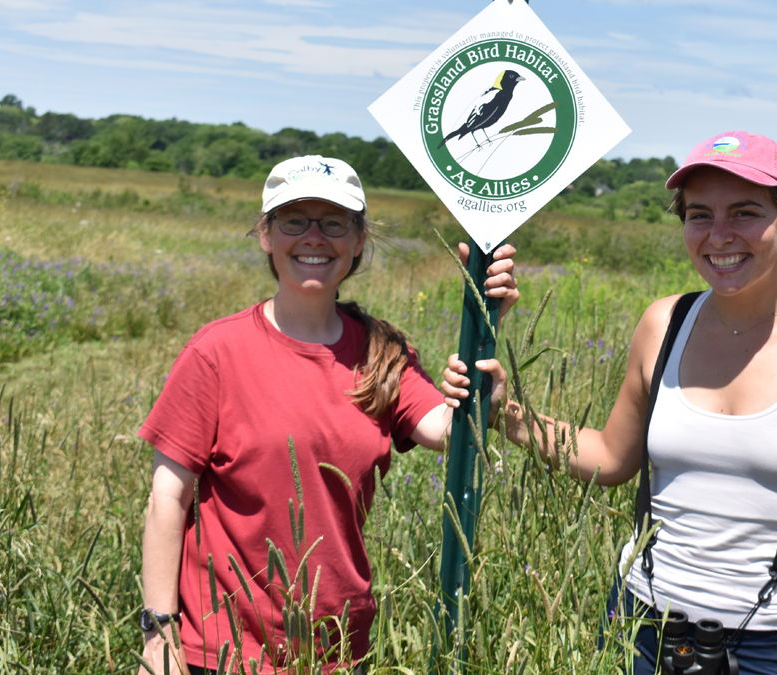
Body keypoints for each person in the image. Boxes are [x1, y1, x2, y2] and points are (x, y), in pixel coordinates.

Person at [444, 132, 777, 675]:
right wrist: (505, 415)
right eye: (699, 215)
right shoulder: (664, 324)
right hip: (642, 629)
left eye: (744, 213)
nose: (718, 235)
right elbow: (611, 457)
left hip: (773, 647)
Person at [137, 155, 518, 674]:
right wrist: (160, 637)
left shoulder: (382, 352)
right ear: (267, 235)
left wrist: (484, 330)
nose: (313, 238)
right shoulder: (217, 352)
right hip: (223, 648)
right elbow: (168, 498)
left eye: (334, 223)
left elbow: (449, 432)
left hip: (337, 648)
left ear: (358, 239)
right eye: (294, 221)